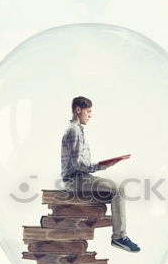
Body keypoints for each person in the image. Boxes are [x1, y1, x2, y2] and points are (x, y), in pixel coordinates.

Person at [60, 96, 141, 253]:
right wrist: (100, 166)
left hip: (81, 179)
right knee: (119, 190)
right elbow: (77, 164)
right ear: (78, 110)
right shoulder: (74, 131)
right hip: (76, 180)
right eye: (88, 111)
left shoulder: (76, 130)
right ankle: (119, 237)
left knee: (114, 192)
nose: (90, 115)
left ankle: (119, 235)